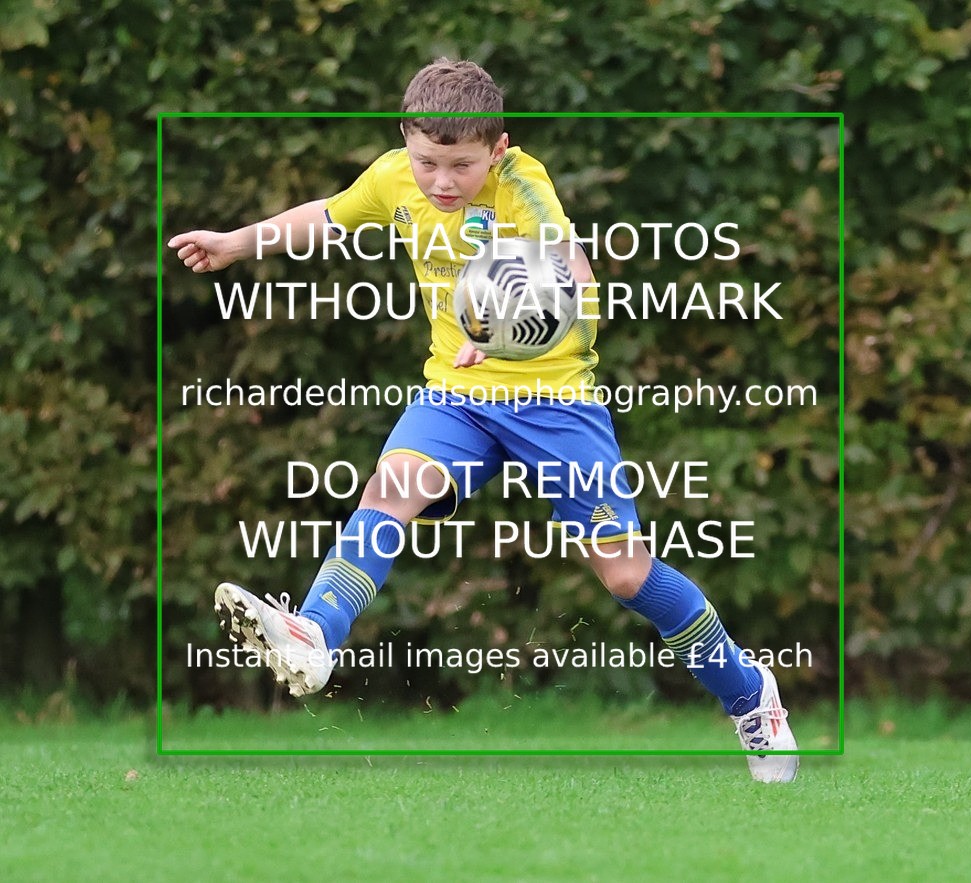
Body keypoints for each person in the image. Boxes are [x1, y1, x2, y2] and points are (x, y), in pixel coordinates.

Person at [168, 59, 798, 782]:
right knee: (391, 486)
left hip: (555, 399)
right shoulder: (394, 176)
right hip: (456, 397)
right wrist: (236, 241)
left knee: (625, 576)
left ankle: (752, 696)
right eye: (426, 160)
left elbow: (577, 279)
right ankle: (315, 631)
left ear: (496, 149)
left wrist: (497, 330)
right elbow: (331, 215)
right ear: (406, 140)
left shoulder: (526, 185)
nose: (440, 180)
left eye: (461, 165)